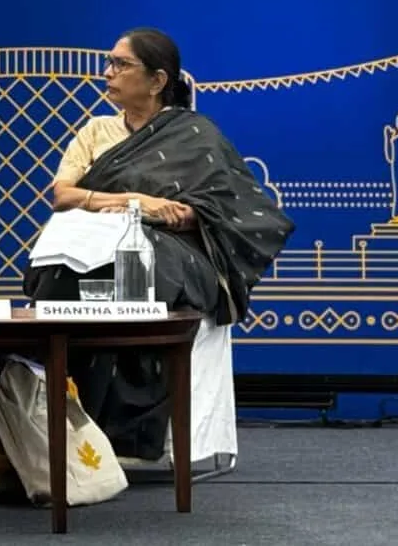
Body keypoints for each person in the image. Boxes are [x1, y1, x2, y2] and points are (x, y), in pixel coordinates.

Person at [24, 27, 294, 462]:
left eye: (120, 64)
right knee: (64, 274)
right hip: (91, 245)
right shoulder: (95, 131)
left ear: (157, 80)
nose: (107, 73)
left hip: (174, 253)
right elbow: (63, 196)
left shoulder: (196, 134)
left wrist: (175, 214)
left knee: (133, 269)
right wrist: (136, 201)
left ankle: (116, 435)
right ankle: (58, 427)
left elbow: (224, 208)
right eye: (109, 63)